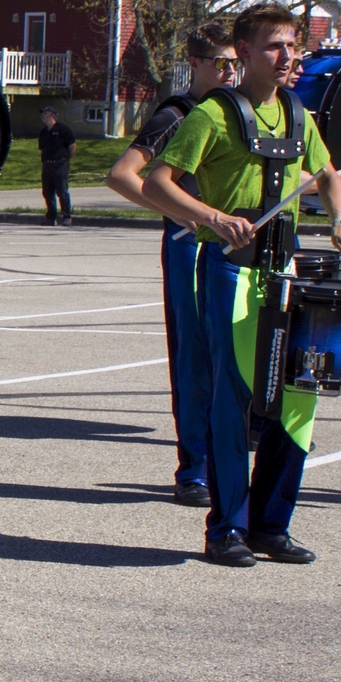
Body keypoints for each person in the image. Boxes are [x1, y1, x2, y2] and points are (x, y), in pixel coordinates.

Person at [141, 4, 341, 568]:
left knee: (297, 398)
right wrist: (210, 216)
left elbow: (327, 173)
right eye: (273, 47)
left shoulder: (296, 112)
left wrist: (340, 221)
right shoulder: (210, 116)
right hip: (230, 270)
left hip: (286, 270)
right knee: (234, 400)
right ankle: (226, 529)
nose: (288, 57)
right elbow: (155, 183)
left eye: (291, 45)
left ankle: (271, 525)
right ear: (243, 53)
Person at [107, 27, 241, 507]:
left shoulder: (239, 113)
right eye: (221, 62)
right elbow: (122, 176)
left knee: (240, 350)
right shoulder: (178, 114)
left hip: (238, 244)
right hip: (192, 244)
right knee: (195, 356)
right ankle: (194, 468)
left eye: (235, 63)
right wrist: (184, 215)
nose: (229, 72)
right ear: (196, 63)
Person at [36, 104, 77, 225]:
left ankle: (66, 216)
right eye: (42, 114)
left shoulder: (63, 130)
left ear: (52, 115)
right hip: (47, 164)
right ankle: (51, 217)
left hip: (60, 164)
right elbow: (42, 148)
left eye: (44, 113)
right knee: (47, 192)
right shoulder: (43, 132)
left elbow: (72, 146)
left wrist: (65, 159)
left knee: (62, 191)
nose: (42, 116)